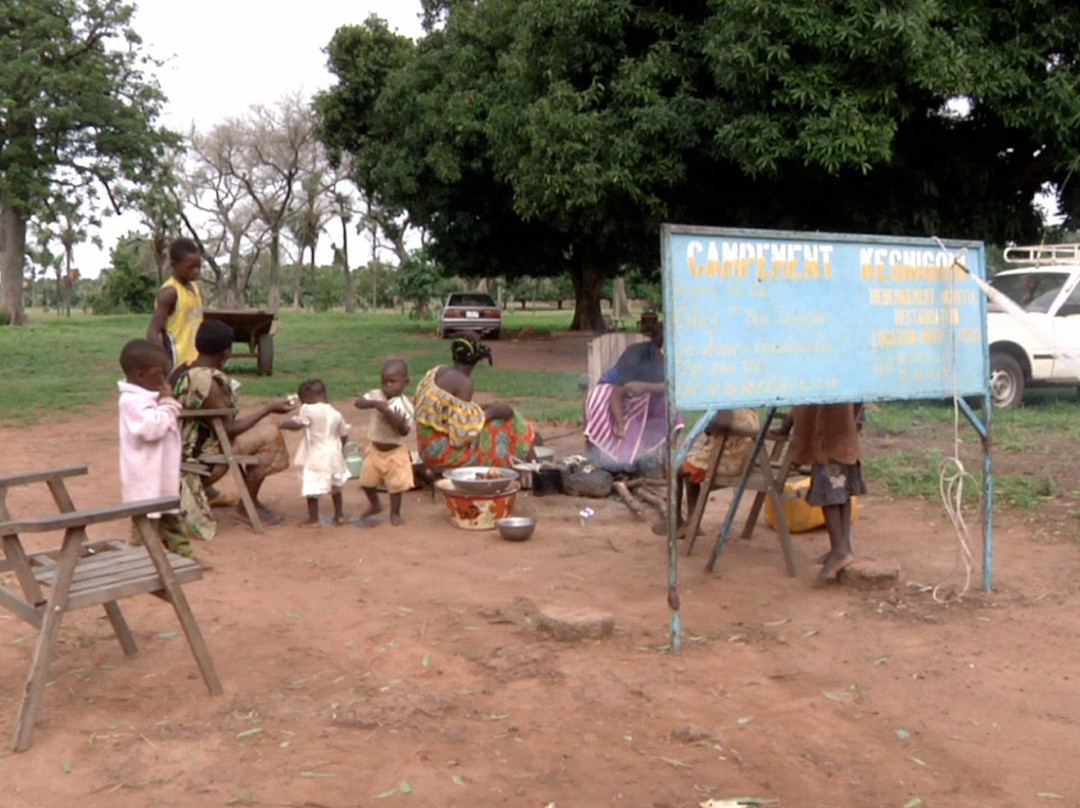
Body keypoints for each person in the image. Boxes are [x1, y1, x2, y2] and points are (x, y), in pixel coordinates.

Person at [173, 319, 295, 538]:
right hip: (201, 460)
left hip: (179, 453)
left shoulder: (183, 371)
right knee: (270, 433)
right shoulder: (208, 382)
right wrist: (269, 408)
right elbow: (228, 429)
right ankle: (247, 506)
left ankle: (249, 502)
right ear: (226, 352)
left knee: (264, 427)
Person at [116, 339, 198, 562]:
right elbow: (153, 428)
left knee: (172, 519)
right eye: (160, 374)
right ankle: (136, 559)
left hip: (162, 475)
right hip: (144, 478)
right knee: (145, 525)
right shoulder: (130, 401)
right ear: (141, 375)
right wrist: (169, 404)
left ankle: (184, 556)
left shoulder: (150, 397)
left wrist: (165, 403)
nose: (164, 380)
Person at [413, 333, 536, 469]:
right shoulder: (464, 382)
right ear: (479, 357)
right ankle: (536, 469)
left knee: (502, 417)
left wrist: (481, 409)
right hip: (444, 455)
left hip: (426, 450)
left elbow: (448, 412)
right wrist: (492, 413)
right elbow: (461, 434)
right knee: (510, 422)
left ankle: (532, 466)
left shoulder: (438, 371)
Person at [782, 403, 867, 582]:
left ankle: (840, 550)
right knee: (840, 493)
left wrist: (788, 425)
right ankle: (843, 547)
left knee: (829, 495)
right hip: (841, 438)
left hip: (829, 438)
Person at [655, 408, 761, 537]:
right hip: (742, 460)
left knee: (677, 469)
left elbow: (723, 424)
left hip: (727, 462)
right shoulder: (747, 405)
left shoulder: (726, 402)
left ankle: (675, 519)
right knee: (690, 469)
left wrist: (708, 426)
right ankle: (692, 522)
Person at [583, 326, 671, 473]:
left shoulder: (677, 360)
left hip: (645, 395)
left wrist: (645, 386)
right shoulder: (636, 355)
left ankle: (648, 458)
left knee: (668, 404)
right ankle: (598, 461)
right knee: (597, 396)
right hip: (614, 392)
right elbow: (617, 392)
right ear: (657, 349)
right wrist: (621, 424)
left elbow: (676, 388)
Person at [281, 379, 350, 527]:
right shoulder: (335, 413)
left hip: (316, 454)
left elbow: (299, 424)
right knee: (335, 486)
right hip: (334, 453)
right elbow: (344, 434)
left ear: (305, 398)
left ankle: (314, 519)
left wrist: (281, 424)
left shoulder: (308, 409)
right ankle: (339, 515)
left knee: (311, 486)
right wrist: (342, 450)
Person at [353, 359, 414, 525]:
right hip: (375, 449)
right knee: (366, 482)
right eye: (384, 382)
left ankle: (395, 513)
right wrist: (374, 404)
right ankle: (375, 504)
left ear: (405, 382)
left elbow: (404, 431)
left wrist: (396, 420)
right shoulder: (377, 395)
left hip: (395, 452)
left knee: (396, 486)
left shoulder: (405, 406)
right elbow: (358, 403)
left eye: (393, 382)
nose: (388, 386)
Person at [148, 237, 204, 367]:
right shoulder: (170, 293)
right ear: (174, 265)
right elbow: (152, 332)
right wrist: (164, 362)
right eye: (190, 267)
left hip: (196, 362)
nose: (196, 271)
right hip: (177, 364)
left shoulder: (195, 288)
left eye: (198, 266)